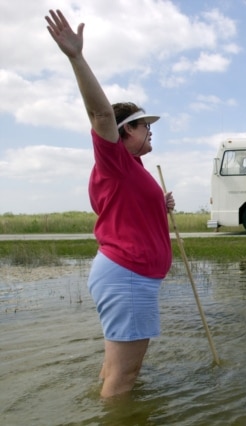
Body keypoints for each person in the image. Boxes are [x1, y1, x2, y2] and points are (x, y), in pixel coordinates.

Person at [45, 9, 175, 398]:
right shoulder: (114, 158)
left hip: (127, 276)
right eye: (144, 125)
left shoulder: (131, 168)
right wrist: (76, 57)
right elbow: (100, 112)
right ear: (125, 131)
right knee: (124, 379)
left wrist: (159, 207)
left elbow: (124, 212)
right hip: (128, 277)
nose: (151, 131)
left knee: (113, 371)